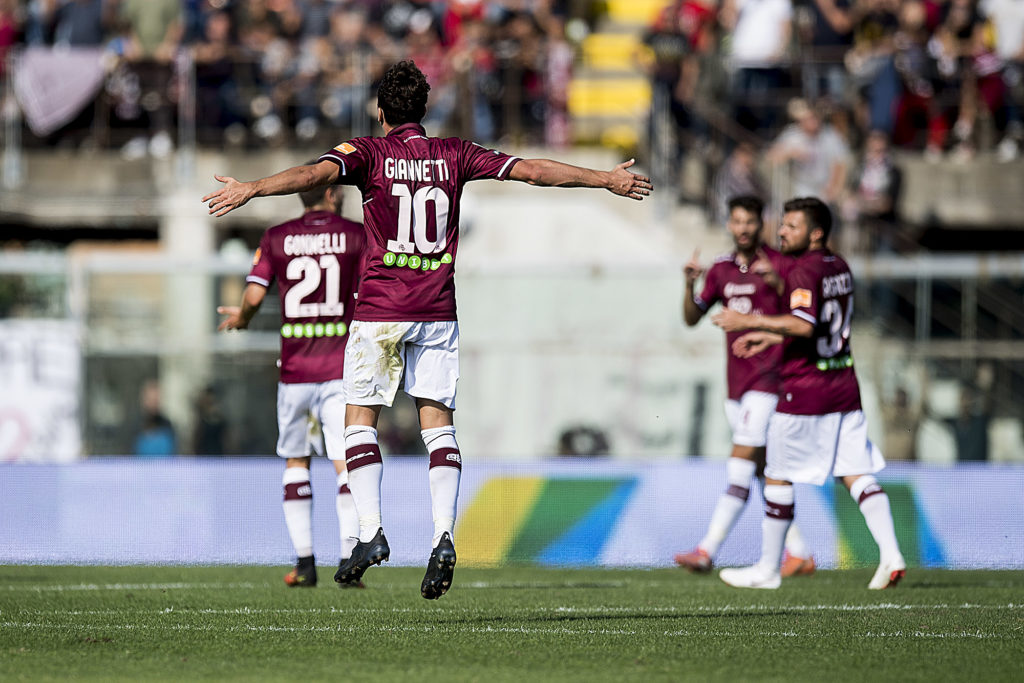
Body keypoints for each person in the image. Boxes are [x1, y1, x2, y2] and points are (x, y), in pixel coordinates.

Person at [202, 60, 652, 599]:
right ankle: (443, 537)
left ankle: (370, 532)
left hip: (381, 310)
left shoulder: (368, 153)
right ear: (425, 108)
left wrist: (253, 188)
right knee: (438, 426)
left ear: (380, 111)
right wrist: (605, 178)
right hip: (437, 309)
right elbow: (532, 170)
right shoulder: (455, 153)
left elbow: (312, 176)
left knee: (359, 420)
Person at [711, 196, 905, 590]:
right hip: (844, 385)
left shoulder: (802, 271)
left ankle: (768, 569)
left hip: (804, 390)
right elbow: (819, 326)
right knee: (856, 473)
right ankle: (891, 555)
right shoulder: (839, 266)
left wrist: (747, 321)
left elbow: (803, 325)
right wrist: (770, 337)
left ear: (815, 233)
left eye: (791, 226)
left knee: (776, 475)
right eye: (782, 224)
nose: (782, 232)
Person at [217, 182, 365, 588]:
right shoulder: (356, 234)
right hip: (340, 369)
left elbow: (253, 295)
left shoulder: (277, 237)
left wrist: (243, 319)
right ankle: (349, 561)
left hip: (295, 372)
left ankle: (304, 564)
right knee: (345, 464)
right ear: (331, 192)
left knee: (296, 461)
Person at [675, 195, 816, 579]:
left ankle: (706, 550)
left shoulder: (781, 265)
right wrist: (689, 285)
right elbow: (692, 319)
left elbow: (803, 318)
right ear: (729, 224)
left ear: (761, 224)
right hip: (736, 386)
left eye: (750, 222)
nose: (743, 228)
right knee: (762, 469)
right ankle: (799, 553)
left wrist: (779, 284)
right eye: (737, 221)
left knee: (739, 464)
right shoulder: (721, 270)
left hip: (770, 380)